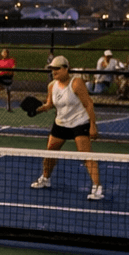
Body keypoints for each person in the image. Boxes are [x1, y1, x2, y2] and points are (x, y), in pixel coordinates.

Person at [29, 55, 102, 200]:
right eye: (52, 69)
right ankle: (46, 178)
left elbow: (88, 103)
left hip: (79, 123)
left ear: (65, 69)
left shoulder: (76, 83)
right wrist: (37, 110)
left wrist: (92, 126)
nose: (54, 72)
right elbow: (49, 104)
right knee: (50, 154)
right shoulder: (52, 86)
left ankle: (97, 188)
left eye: (57, 69)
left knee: (86, 155)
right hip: (61, 124)